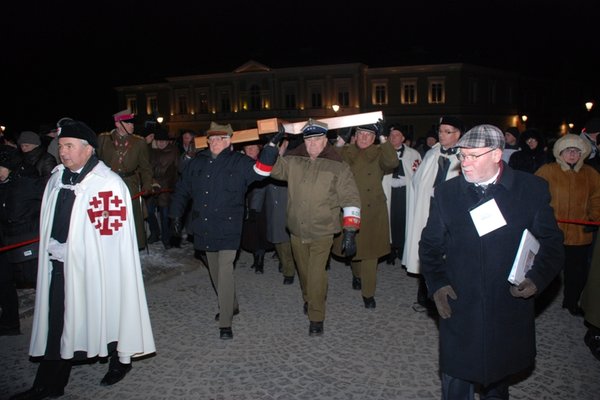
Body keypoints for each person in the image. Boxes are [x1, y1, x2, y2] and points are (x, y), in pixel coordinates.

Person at [9, 120, 155, 400]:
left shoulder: (107, 185)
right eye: (61, 146)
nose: (63, 152)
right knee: (57, 321)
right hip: (58, 267)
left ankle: (120, 360)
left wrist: (77, 251)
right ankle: (49, 384)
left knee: (108, 312)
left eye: (69, 146)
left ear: (88, 150)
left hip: (95, 270)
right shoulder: (57, 177)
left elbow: (110, 240)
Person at [419, 124, 564, 399]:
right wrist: (437, 284)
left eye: (474, 156)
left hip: (506, 304)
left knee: (498, 378)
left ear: (497, 155)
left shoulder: (531, 190)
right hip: (460, 302)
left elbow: (552, 245)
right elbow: (429, 247)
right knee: (455, 378)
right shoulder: (447, 193)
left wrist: (536, 278)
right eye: (462, 156)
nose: (465, 163)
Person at [168, 121, 279, 340]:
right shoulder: (197, 163)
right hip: (204, 226)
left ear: (229, 142)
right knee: (215, 271)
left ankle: (225, 321)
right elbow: (182, 189)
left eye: (222, 139)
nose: (217, 142)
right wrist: (175, 214)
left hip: (229, 226)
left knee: (225, 270)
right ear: (208, 141)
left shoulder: (239, 162)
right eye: (214, 138)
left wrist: (271, 147)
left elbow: (262, 171)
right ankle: (232, 304)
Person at [270, 119, 361, 335]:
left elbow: (351, 198)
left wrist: (349, 232)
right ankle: (309, 299)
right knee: (304, 272)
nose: (312, 144)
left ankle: (316, 316)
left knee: (316, 273)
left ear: (325, 142)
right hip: (296, 230)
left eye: (317, 140)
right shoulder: (293, 162)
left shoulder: (338, 166)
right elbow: (271, 170)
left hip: (323, 230)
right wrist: (271, 146)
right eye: (308, 140)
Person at [331, 122, 399, 308]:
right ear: (355, 135)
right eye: (361, 134)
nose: (364, 138)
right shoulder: (345, 151)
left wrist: (385, 139)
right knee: (352, 249)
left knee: (371, 253)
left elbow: (393, 162)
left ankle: (368, 294)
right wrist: (340, 140)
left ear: (374, 137)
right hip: (348, 207)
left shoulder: (379, 152)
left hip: (373, 209)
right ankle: (356, 274)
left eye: (369, 135)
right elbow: (328, 162)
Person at [534, 134, 600, 316]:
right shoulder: (547, 171)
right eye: (568, 150)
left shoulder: (590, 174)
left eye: (576, 151)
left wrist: (594, 218)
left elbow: (597, 198)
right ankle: (540, 302)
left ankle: (571, 302)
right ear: (560, 152)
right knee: (547, 269)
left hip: (579, 234)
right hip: (553, 232)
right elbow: (534, 195)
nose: (572, 154)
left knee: (576, 273)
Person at [403, 116, 464, 313]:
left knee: (450, 257)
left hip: (451, 216)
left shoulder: (464, 156)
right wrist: (427, 190)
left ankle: (450, 297)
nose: (442, 135)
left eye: (448, 132)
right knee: (427, 251)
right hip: (428, 211)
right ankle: (425, 298)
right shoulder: (432, 153)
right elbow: (417, 182)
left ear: (459, 134)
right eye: (441, 131)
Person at [0, 145, 43, 336]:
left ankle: (55, 323)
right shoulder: (3, 186)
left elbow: (48, 200)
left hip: (27, 241)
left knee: (37, 281)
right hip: (5, 242)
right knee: (4, 282)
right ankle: (10, 323)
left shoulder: (27, 183)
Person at [97, 109, 153, 250]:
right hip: (108, 185)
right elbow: (96, 163)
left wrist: (147, 184)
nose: (131, 126)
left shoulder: (139, 142)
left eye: (132, 123)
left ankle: (135, 246)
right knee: (111, 217)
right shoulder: (103, 139)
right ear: (118, 123)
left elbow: (146, 167)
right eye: (128, 123)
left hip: (131, 183)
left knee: (133, 216)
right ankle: (111, 246)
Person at [382, 125, 421, 266]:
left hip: (406, 194)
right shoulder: (381, 152)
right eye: (391, 135)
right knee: (389, 220)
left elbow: (418, 174)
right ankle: (389, 251)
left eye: (397, 135)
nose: (393, 138)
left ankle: (404, 249)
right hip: (388, 191)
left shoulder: (413, 154)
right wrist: (387, 181)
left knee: (404, 220)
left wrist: (408, 180)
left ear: (403, 138)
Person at [239, 142, 274, 274]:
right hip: (246, 202)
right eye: (248, 147)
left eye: (253, 148)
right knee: (250, 232)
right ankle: (256, 258)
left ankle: (260, 260)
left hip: (262, 203)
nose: (251, 150)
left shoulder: (263, 162)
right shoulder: (241, 163)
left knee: (261, 231)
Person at [146, 127, 180, 249]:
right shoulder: (149, 149)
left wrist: (176, 186)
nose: (161, 143)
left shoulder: (174, 151)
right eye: (159, 140)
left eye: (164, 141)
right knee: (149, 212)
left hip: (166, 187)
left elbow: (178, 169)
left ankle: (167, 239)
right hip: (151, 186)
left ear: (168, 141)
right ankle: (155, 233)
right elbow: (145, 167)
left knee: (165, 215)